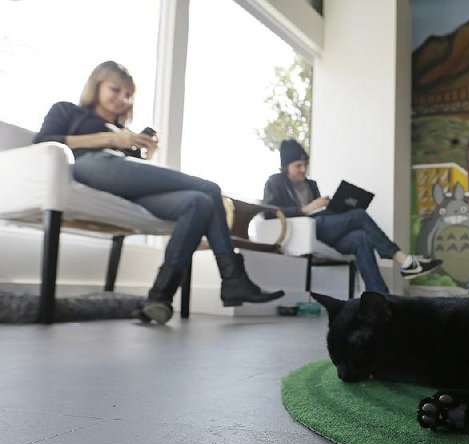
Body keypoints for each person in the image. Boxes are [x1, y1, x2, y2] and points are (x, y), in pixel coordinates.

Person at [34, 61, 284, 324]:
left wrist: (144, 153)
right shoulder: (68, 111)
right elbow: (43, 141)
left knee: (199, 202)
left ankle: (159, 297)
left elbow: (136, 176)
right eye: (115, 90)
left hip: (125, 187)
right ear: (96, 86)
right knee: (210, 189)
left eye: (128, 94)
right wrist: (110, 139)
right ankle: (233, 280)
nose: (122, 98)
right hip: (89, 165)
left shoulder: (125, 134)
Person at [263, 139, 441, 294]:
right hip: (305, 231)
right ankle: (404, 260)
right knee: (359, 216)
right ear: (286, 166)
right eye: (298, 166)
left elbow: (319, 212)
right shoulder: (275, 182)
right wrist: (304, 209)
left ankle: (380, 296)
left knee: (360, 238)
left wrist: (333, 208)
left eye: (305, 164)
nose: (303, 169)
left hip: (324, 228)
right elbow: (269, 212)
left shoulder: (311, 184)